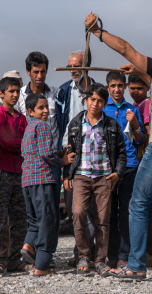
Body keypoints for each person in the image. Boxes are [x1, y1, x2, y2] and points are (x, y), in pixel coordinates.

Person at [84, 11, 152, 282]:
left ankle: (135, 266)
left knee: (137, 204)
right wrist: (138, 72)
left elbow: (125, 49)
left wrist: (98, 32)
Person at [63, 83, 126, 277]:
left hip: (104, 177)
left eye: (100, 101)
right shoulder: (75, 122)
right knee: (77, 213)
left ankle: (100, 260)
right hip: (81, 175)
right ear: (85, 100)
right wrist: (67, 174)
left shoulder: (111, 125)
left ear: (104, 103)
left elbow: (121, 152)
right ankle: (83, 255)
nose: (95, 104)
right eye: (92, 99)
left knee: (103, 219)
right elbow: (69, 152)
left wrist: (117, 173)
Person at [21, 94, 74, 276]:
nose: (45, 111)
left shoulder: (29, 128)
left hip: (28, 181)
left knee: (34, 220)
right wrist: (63, 161)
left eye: (47, 107)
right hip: (43, 180)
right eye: (40, 108)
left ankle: (28, 245)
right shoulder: (42, 126)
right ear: (30, 111)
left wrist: (59, 153)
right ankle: (42, 266)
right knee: (48, 221)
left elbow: (38, 152)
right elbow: (46, 154)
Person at [54, 51, 97, 266]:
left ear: (86, 67)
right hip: (69, 152)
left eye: (77, 65)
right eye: (70, 65)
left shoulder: (96, 89)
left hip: (93, 153)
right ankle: (81, 251)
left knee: (92, 208)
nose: (72, 69)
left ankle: (86, 254)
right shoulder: (62, 91)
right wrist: (61, 151)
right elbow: (59, 123)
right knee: (73, 208)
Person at [0, 77, 28, 274]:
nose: (14, 95)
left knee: (19, 217)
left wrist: (21, 143)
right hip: (1, 173)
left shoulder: (21, 118)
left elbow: (23, 141)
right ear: (1, 93)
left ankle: (13, 258)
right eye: (10, 91)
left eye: (17, 91)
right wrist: (23, 144)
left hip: (19, 172)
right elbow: (5, 142)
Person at [103, 71, 144, 268]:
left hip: (129, 166)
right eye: (113, 86)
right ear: (108, 88)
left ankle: (124, 255)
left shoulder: (133, 110)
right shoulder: (103, 109)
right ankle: (110, 255)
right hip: (107, 168)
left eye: (120, 85)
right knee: (108, 212)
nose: (117, 89)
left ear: (125, 87)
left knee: (126, 212)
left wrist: (135, 124)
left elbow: (140, 140)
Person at [128, 74, 152, 267]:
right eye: (132, 88)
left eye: (139, 88)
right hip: (141, 161)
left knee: (147, 208)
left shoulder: (148, 104)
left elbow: (150, 132)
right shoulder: (134, 106)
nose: (135, 92)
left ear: (147, 89)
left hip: (147, 160)